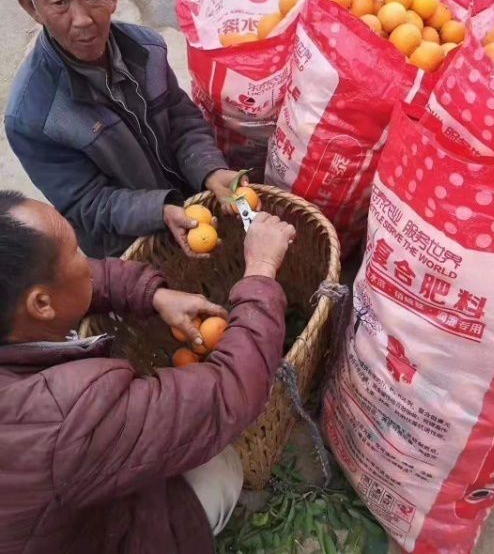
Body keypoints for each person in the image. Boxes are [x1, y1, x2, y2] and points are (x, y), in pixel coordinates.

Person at [0, 190, 295, 553]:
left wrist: (154, 294)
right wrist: (262, 270)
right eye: (76, 251)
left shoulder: (18, 310)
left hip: (67, 496)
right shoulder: (56, 416)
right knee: (221, 463)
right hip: (103, 536)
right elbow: (228, 393)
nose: (86, 260)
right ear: (41, 304)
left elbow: (83, 279)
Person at [5, 0, 244, 259]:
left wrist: (210, 169)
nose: (82, 19)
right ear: (32, 7)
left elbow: (182, 121)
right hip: (127, 244)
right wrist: (158, 212)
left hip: (190, 207)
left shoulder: (148, 50)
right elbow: (87, 201)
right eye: (59, 2)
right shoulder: (32, 117)